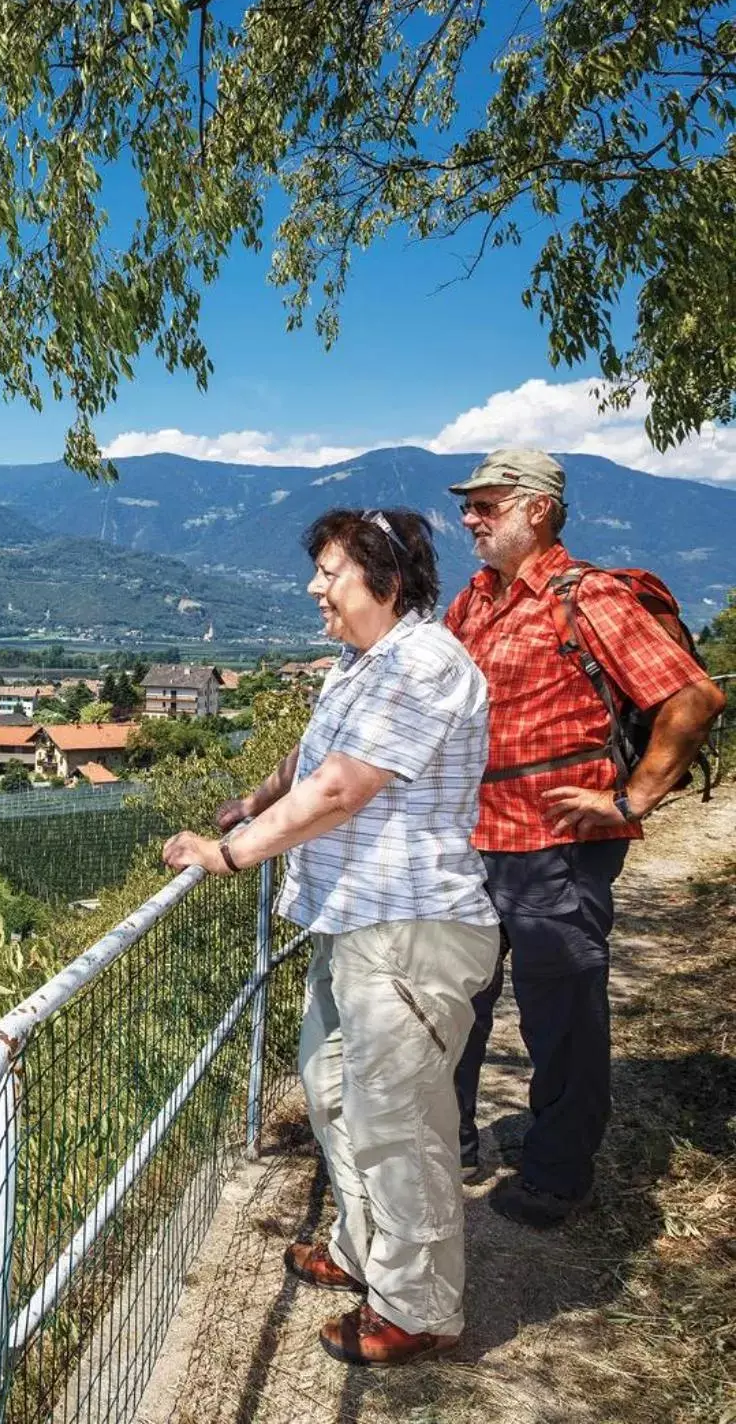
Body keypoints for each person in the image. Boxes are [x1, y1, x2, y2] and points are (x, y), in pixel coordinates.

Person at [166, 507, 496, 1366]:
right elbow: (310, 766)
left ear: (385, 580)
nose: (315, 588)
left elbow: (342, 788)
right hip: (357, 921)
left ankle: (421, 1308)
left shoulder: (423, 664)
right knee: (335, 1093)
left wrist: (231, 851)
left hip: (410, 927)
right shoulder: (364, 664)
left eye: (331, 572)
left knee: (400, 1123)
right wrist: (254, 800)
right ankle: (364, 1252)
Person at [443, 448, 724, 1226]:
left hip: (553, 847)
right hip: (472, 841)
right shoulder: (474, 602)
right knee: (454, 998)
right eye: (468, 505)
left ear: (538, 509)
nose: (469, 517)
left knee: (560, 1013)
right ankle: (450, 1141)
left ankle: (557, 1174)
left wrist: (629, 797)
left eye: (486, 504)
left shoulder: (587, 596)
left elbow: (692, 699)